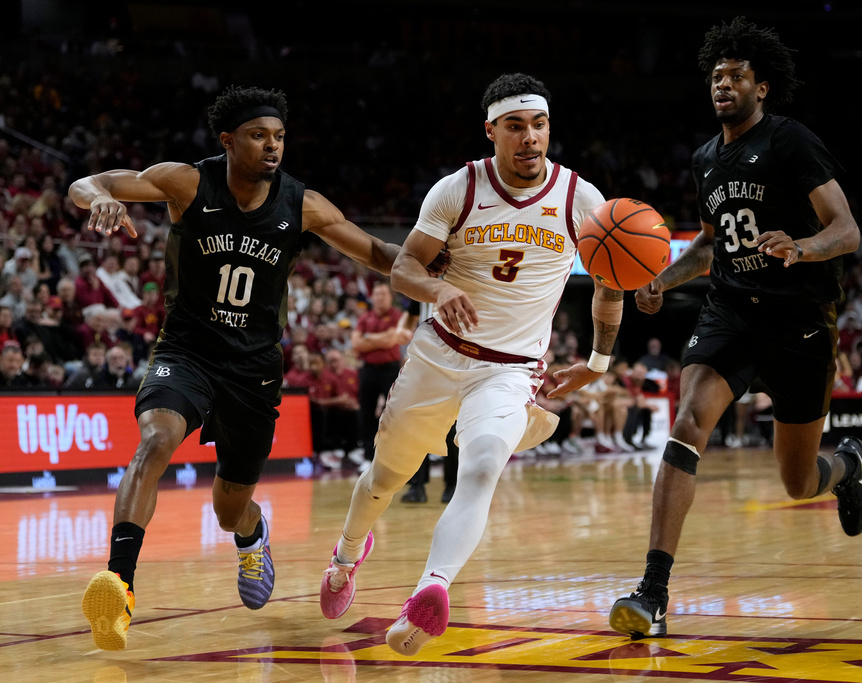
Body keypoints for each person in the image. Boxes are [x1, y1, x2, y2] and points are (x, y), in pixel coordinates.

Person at [71, 85, 431, 652]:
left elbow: (377, 253)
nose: (273, 146)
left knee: (228, 507)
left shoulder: (301, 203)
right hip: (186, 352)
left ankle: (251, 534)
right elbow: (92, 182)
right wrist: (98, 198)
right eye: (260, 135)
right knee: (153, 444)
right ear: (228, 140)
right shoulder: (186, 181)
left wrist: (438, 263)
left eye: (280, 137)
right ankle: (120, 584)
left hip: (253, 370)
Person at [318, 72, 619, 656]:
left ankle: (431, 589)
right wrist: (436, 293)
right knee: (384, 478)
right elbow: (404, 266)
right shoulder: (457, 189)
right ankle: (347, 554)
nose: (530, 138)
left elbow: (610, 286)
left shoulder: (582, 199)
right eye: (516, 126)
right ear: (492, 131)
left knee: (481, 466)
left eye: (540, 125)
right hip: (438, 355)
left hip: (511, 369)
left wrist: (599, 362)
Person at [608, 17, 862, 640]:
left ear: (763, 86)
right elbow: (709, 245)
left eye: (736, 76)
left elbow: (847, 230)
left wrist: (802, 248)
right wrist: (662, 281)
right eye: (716, 77)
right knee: (687, 422)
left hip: (800, 320)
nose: (723, 85)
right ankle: (653, 591)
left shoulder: (791, 142)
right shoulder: (706, 158)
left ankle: (848, 466)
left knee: (797, 480)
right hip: (730, 312)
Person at [351, 281, 412, 462]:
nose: (379, 298)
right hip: (368, 370)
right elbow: (356, 343)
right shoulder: (365, 318)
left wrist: (368, 338)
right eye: (376, 294)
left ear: (390, 297)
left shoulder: (398, 316)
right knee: (366, 414)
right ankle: (369, 458)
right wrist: (383, 337)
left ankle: (394, 455)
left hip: (390, 369)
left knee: (394, 412)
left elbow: (392, 340)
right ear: (372, 297)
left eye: (383, 294)